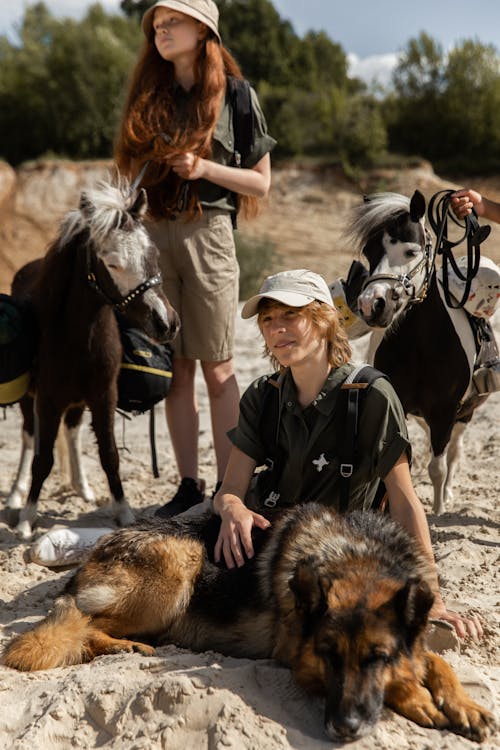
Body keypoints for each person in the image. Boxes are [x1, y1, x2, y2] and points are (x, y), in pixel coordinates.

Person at [212, 268, 483, 641]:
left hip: (342, 556)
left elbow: (404, 502)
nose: (277, 329)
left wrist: (432, 598)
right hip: (267, 551)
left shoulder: (370, 393)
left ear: (324, 320)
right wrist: (233, 509)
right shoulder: (263, 394)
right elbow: (230, 489)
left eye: (291, 315)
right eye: (268, 319)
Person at [114, 0, 276, 516]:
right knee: (175, 369)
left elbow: (261, 182)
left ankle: (230, 489)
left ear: (202, 28)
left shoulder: (238, 95)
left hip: (209, 234)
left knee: (219, 367)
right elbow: (126, 173)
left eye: (172, 22)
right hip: (154, 235)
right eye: (157, 26)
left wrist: (203, 168)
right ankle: (188, 486)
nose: (161, 31)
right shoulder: (149, 94)